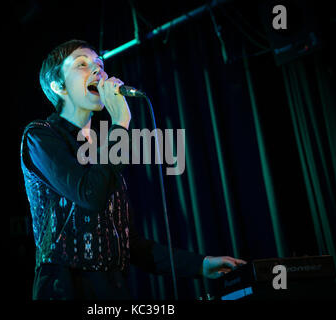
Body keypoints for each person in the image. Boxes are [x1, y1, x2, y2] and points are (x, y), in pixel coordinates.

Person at [20, 39, 246, 300]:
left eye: (100, 65)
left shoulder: (105, 147)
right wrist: (121, 121)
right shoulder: (40, 136)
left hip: (115, 289)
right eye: (82, 64)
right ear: (58, 86)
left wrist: (199, 264)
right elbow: (89, 194)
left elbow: (128, 241)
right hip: (64, 288)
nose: (98, 71)